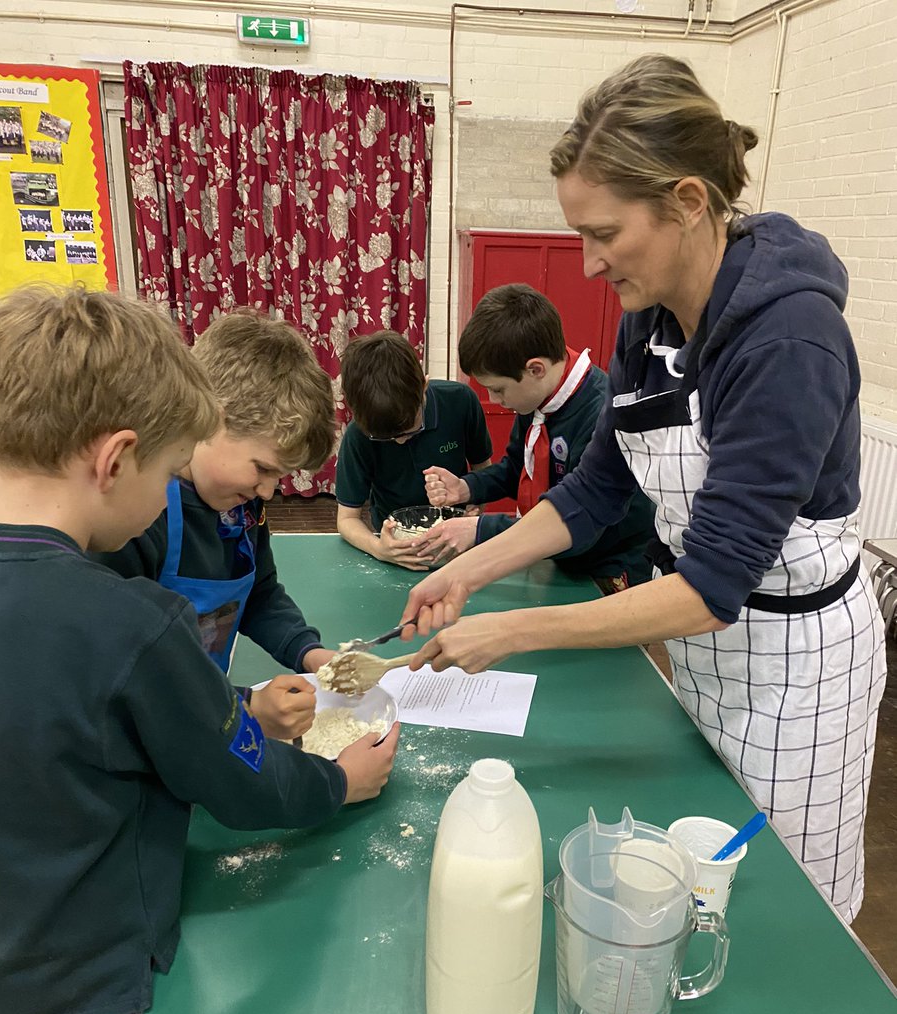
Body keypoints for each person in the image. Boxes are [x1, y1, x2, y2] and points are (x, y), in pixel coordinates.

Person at [402, 54, 886, 923]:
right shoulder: (649, 320)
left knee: (783, 907)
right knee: (699, 876)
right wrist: (470, 568)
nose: (587, 263)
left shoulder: (786, 342)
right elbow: (594, 490)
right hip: (706, 650)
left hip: (795, 670)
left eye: (604, 233)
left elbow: (709, 588)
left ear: (688, 201)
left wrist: (509, 629)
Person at [0, 285, 398, 1014]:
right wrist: (336, 781)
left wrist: (276, 667)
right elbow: (239, 778)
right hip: (85, 984)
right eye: (169, 469)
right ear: (118, 459)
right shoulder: (127, 619)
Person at [96, 308, 340, 741]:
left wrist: (309, 652)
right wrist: (245, 707)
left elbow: (260, 595)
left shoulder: (242, 507)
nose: (268, 491)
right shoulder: (136, 519)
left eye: (279, 477)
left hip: (201, 719)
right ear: (210, 417)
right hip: (136, 731)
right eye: (263, 469)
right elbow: (122, 669)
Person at [419, 283, 654, 591]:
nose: (494, 399)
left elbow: (578, 524)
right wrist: (466, 488)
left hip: (607, 568)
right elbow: (518, 469)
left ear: (535, 369)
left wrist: (479, 529)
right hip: (559, 559)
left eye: (499, 389)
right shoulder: (539, 398)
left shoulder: (599, 414)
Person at [335, 329, 492, 571]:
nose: (399, 442)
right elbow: (347, 519)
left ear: (424, 387)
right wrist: (379, 549)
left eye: (409, 430)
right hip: (396, 549)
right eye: (386, 437)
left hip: (458, 544)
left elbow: (484, 471)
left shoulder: (460, 402)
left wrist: (475, 508)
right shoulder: (360, 435)